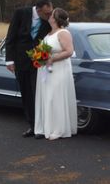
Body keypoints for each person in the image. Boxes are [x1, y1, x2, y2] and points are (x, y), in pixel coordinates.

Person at [5, 0, 53, 138]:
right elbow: (11, 37)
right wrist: (9, 60)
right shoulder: (21, 13)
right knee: (26, 95)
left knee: (38, 94)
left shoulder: (49, 21)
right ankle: (32, 126)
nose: (49, 15)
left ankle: (42, 127)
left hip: (39, 63)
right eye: (46, 13)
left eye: (50, 12)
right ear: (38, 10)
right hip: (20, 61)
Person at [34, 8, 77, 140]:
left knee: (55, 97)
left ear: (55, 19)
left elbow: (69, 51)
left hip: (59, 69)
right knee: (47, 97)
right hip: (46, 70)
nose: (49, 15)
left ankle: (59, 129)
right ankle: (48, 127)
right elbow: (43, 51)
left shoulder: (63, 33)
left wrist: (52, 59)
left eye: (52, 14)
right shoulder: (49, 34)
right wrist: (39, 58)